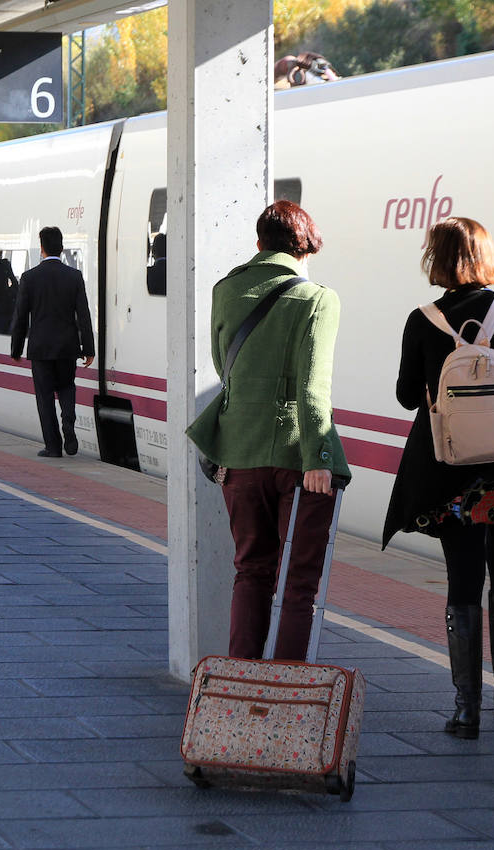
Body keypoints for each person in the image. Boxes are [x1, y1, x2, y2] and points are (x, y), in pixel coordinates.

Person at [382, 217, 494, 740]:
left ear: (436, 260)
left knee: (463, 576)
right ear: (485, 255)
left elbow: (403, 395)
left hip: (447, 470)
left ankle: (466, 710)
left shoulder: (422, 320)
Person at [187, 201, 350, 662]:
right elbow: (313, 387)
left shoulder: (225, 289)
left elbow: (225, 369)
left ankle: (242, 682)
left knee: (250, 571)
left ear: (259, 244)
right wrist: (318, 458)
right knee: (297, 583)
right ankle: (287, 690)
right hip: (298, 461)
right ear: (305, 246)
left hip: (237, 454)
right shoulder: (318, 299)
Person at [8, 226, 94, 457]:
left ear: (42, 248)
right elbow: (84, 316)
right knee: (67, 387)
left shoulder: (29, 278)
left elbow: (20, 318)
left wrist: (16, 349)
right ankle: (69, 422)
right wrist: (89, 349)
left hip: (41, 349)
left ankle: (53, 446)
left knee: (44, 398)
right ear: (61, 247)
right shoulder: (74, 277)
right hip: (67, 348)